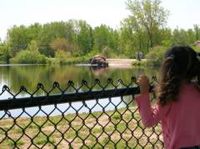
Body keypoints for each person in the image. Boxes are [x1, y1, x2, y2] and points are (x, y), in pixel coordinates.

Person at [135, 45, 200, 149]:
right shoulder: (197, 90)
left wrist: (144, 91)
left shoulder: (171, 95)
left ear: (168, 66)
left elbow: (148, 121)